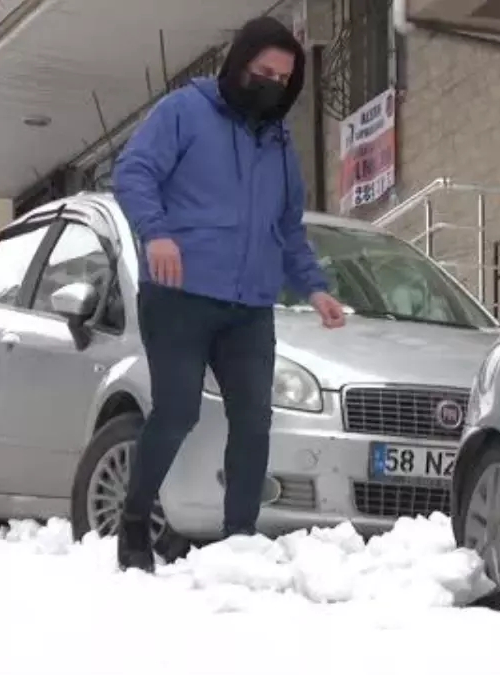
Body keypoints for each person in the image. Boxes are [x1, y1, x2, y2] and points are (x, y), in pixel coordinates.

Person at [111, 16, 347, 572]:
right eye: (263, 71)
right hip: (178, 294)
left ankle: (238, 539)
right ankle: (135, 519)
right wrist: (157, 232)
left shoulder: (279, 144)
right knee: (176, 412)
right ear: (239, 63)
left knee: (253, 419)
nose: (272, 84)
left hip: (249, 305)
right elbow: (134, 172)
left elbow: (287, 228)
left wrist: (315, 288)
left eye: (284, 79)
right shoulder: (182, 113)